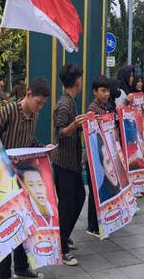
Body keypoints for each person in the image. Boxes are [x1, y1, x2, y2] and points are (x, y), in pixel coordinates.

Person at [0, 77, 51, 279]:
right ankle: (4, 274)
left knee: (22, 222)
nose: (40, 108)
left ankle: (21, 267)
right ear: (28, 95)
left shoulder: (33, 116)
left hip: (23, 177)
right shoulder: (9, 111)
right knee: (5, 227)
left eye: (43, 104)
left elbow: (29, 140)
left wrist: (44, 148)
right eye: (38, 102)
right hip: (3, 179)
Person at [51, 64, 86, 266]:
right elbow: (60, 133)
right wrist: (75, 125)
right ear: (76, 81)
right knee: (66, 205)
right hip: (64, 163)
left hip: (72, 163)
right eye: (80, 78)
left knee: (79, 198)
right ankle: (62, 248)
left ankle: (64, 235)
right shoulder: (64, 104)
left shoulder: (70, 101)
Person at [85, 76, 110, 238]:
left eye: (107, 91)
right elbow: (92, 133)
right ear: (95, 92)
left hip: (103, 156)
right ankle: (92, 225)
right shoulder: (92, 110)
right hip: (94, 157)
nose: (106, 94)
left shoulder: (104, 107)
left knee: (101, 190)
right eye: (103, 91)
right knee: (95, 191)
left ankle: (101, 222)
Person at [17, 162, 58, 228]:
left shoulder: (54, 210)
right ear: (24, 188)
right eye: (31, 185)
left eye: (40, 184)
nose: (38, 191)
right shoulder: (25, 215)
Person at [96, 136, 122, 203]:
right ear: (102, 167)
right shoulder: (103, 195)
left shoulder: (122, 182)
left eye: (113, 158)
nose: (112, 167)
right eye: (107, 162)